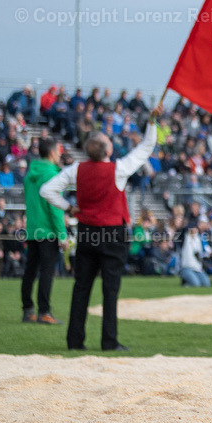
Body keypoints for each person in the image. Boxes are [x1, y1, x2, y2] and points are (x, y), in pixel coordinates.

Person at [41, 107, 161, 351]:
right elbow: (147, 146)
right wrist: (151, 120)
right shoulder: (118, 169)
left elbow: (46, 190)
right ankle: (109, 341)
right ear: (108, 150)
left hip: (86, 231)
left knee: (81, 288)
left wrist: (69, 208)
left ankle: (75, 341)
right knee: (110, 289)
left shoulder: (76, 169)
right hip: (112, 234)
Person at [21, 138, 67, 324]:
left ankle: (27, 310)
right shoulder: (51, 174)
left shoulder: (29, 174)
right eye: (59, 150)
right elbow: (55, 208)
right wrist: (62, 234)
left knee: (30, 271)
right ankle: (44, 312)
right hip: (47, 231)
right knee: (47, 272)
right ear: (52, 152)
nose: (60, 153)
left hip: (32, 229)